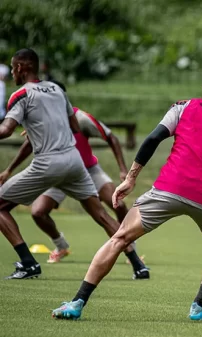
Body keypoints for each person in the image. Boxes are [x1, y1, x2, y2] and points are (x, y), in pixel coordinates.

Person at [51, 61, 202, 321]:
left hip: (168, 189)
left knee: (120, 239)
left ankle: (77, 303)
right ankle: (199, 307)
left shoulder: (183, 107)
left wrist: (130, 179)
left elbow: (152, 140)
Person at [0, 48, 145, 280]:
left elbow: (6, 130)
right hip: (74, 162)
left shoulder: (20, 95)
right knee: (101, 215)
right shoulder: (57, 89)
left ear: (19, 68)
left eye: (12, 68)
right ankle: (138, 265)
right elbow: (74, 127)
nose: (12, 75)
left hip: (49, 163)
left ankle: (27, 263)